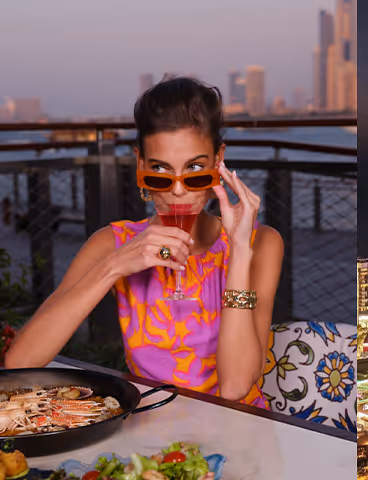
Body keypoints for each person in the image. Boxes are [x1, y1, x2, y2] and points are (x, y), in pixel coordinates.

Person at [5, 77, 284, 407]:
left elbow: (236, 387)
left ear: (218, 162)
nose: (177, 190)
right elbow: (20, 364)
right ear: (140, 165)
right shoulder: (113, 243)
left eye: (195, 169)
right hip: (153, 439)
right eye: (160, 171)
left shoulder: (261, 243)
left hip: (241, 434)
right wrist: (112, 267)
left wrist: (238, 253)